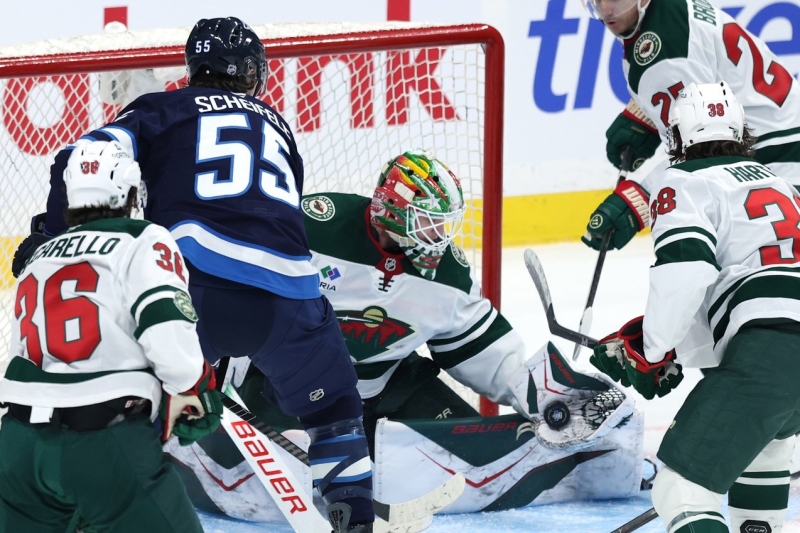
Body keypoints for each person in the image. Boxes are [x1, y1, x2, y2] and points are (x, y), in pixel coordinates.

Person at [12, 16, 373, 533]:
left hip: (192, 286)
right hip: (291, 297)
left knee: (122, 406)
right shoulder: (278, 126)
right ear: (250, 71)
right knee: (336, 411)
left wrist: (50, 236)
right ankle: (353, 517)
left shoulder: (162, 108)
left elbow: (79, 157)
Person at [165, 150, 643, 521]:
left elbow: (487, 351)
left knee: (480, 442)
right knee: (257, 470)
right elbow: (237, 286)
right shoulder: (311, 227)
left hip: (388, 386)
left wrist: (546, 394)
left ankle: (598, 466)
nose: (440, 237)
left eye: (444, 224)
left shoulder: (446, 275)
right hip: (290, 384)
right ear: (391, 213)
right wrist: (212, 361)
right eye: (429, 223)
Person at [590, 81, 800, 532]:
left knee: (681, 489)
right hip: (779, 342)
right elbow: (749, 289)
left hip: (776, 344)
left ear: (677, 135)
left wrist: (652, 349)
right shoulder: (780, 183)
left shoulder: (684, 181)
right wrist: (673, 349)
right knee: (764, 448)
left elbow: (686, 272)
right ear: (741, 130)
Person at [0, 140, 221, 533]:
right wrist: (193, 386)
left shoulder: (39, 256)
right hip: (102, 442)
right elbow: (164, 321)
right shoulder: (143, 238)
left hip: (18, 446)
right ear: (131, 192)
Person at [580, 0, 800, 252]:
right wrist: (646, 114)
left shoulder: (664, 53)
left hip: (777, 161)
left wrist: (639, 197)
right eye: (597, 0)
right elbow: (705, 72)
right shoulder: (669, 10)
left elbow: (705, 152)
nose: (605, 10)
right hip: (779, 130)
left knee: (746, 266)